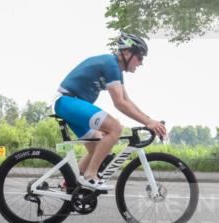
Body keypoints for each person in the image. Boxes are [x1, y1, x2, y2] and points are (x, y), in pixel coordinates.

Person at [54, 33, 167, 191]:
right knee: (115, 128)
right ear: (127, 53)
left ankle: (68, 184)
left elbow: (127, 100)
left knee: (97, 147)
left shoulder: (116, 70)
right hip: (68, 103)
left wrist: (149, 119)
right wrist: (148, 122)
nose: (141, 63)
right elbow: (120, 104)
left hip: (72, 105)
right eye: (140, 57)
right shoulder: (111, 64)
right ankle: (90, 176)